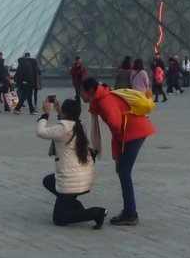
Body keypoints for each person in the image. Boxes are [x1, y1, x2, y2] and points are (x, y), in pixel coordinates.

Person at [82, 76, 156, 226]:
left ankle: (130, 213)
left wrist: (118, 148)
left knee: (123, 170)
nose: (80, 95)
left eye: (81, 91)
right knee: (123, 170)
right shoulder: (105, 97)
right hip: (136, 130)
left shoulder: (104, 101)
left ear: (90, 90)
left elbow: (115, 125)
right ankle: (129, 211)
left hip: (134, 132)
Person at [35, 96, 106, 229]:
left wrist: (45, 113)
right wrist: (59, 112)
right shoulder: (79, 125)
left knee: (60, 219)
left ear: (65, 112)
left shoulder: (63, 128)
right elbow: (63, 127)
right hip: (82, 176)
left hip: (71, 179)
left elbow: (40, 132)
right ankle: (73, 204)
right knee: (49, 181)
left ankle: (96, 212)